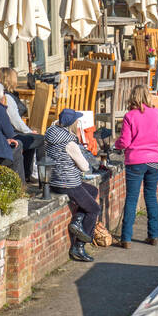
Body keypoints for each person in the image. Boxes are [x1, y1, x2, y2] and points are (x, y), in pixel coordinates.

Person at [115, 83, 158, 248]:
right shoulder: (156, 113)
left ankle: (126, 238)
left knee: (132, 199)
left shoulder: (129, 116)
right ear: (148, 97)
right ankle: (153, 235)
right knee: (151, 197)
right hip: (154, 160)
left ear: (133, 98)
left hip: (135, 161)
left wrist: (116, 144)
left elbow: (124, 142)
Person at [44, 107, 105, 263]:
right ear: (72, 123)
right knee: (94, 209)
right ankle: (79, 246)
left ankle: (77, 220)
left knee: (92, 190)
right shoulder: (69, 142)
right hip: (68, 183)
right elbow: (85, 167)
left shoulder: (51, 134)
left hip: (55, 180)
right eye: (77, 120)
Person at [0, 65, 45, 181]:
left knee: (30, 138)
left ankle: (28, 172)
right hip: (11, 135)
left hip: (3, 134)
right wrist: (28, 131)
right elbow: (16, 121)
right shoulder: (7, 97)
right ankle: (42, 179)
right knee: (40, 140)